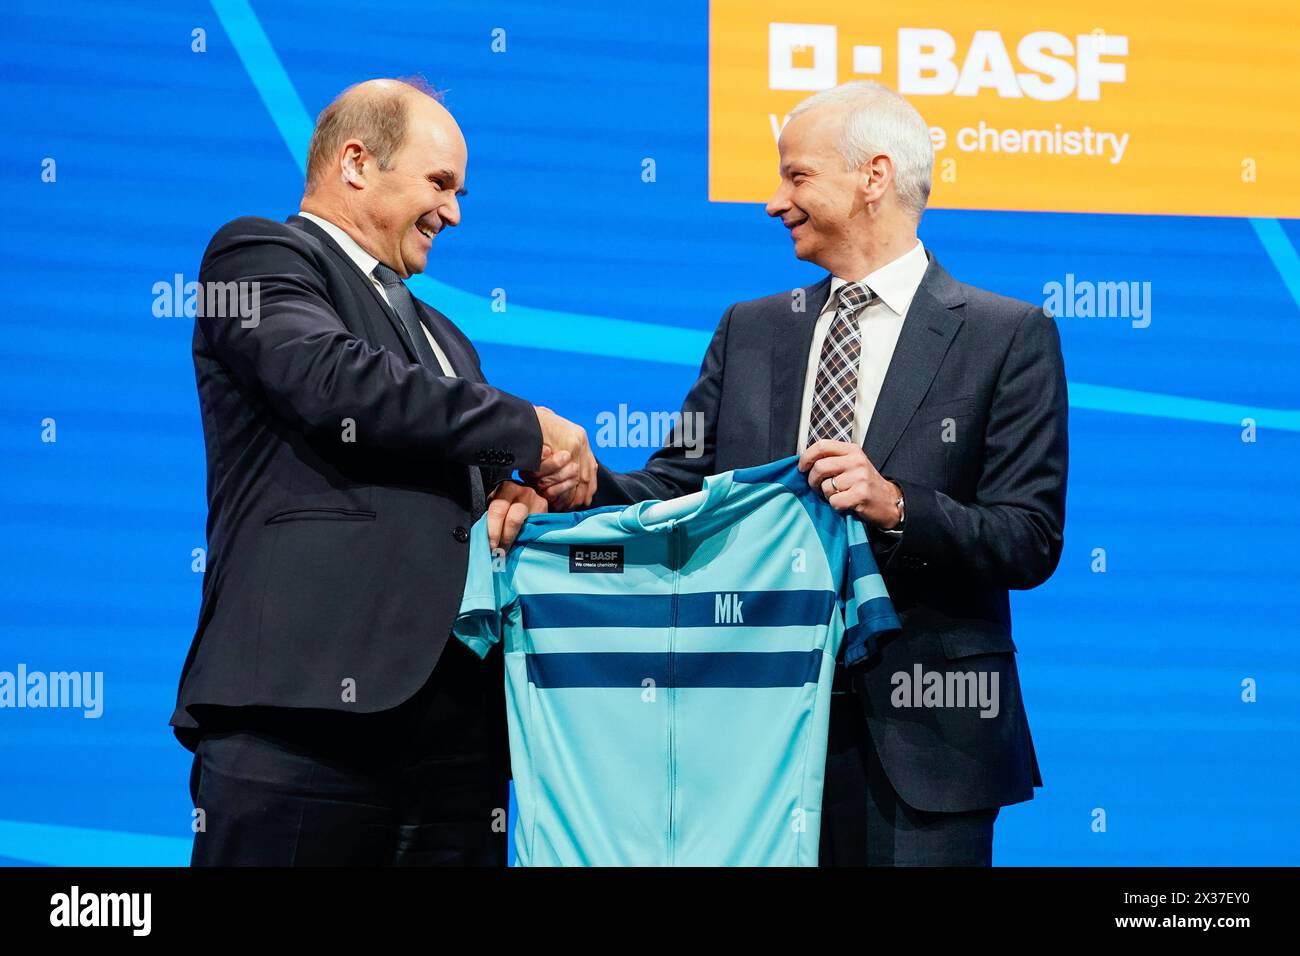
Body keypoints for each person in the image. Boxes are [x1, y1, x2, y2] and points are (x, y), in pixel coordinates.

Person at [531, 81, 1068, 865]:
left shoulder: (1007, 335)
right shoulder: (751, 329)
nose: (774, 200)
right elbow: (675, 487)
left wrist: (895, 506)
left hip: (924, 743)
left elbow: (1029, 537)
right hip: (748, 738)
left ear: (873, 177)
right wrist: (582, 487)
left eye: (797, 176)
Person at [172, 77, 592, 866]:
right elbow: (332, 382)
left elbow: (446, 439)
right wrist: (526, 429)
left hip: (456, 737)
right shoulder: (260, 253)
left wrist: (518, 481)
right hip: (303, 716)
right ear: (357, 164)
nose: (454, 212)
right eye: (440, 184)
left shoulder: (448, 338)